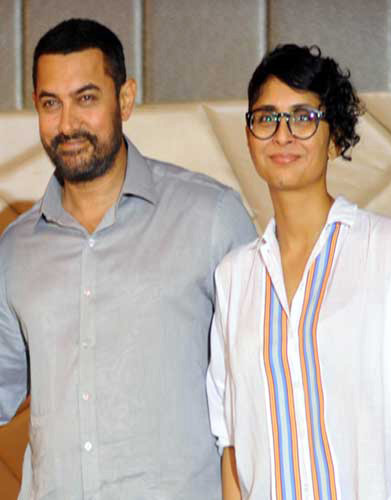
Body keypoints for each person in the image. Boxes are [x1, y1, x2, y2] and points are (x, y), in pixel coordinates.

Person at [0, 18, 256, 500]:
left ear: (125, 98)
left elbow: (261, 396)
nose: (67, 124)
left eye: (86, 98)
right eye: (50, 103)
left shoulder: (210, 218)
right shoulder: (15, 250)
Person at [207, 44, 391, 500]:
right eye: (266, 118)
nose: (282, 135)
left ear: (335, 138)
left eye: (303, 117)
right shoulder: (234, 276)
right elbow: (231, 440)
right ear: (249, 137)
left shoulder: (388, 252)